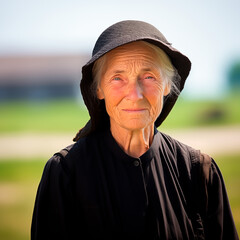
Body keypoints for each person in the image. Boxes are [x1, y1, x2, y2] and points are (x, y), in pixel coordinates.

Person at [31, 20, 239, 240]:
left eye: (148, 77)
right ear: (99, 89)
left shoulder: (198, 171)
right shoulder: (65, 173)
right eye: (118, 78)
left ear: (167, 85)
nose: (135, 94)